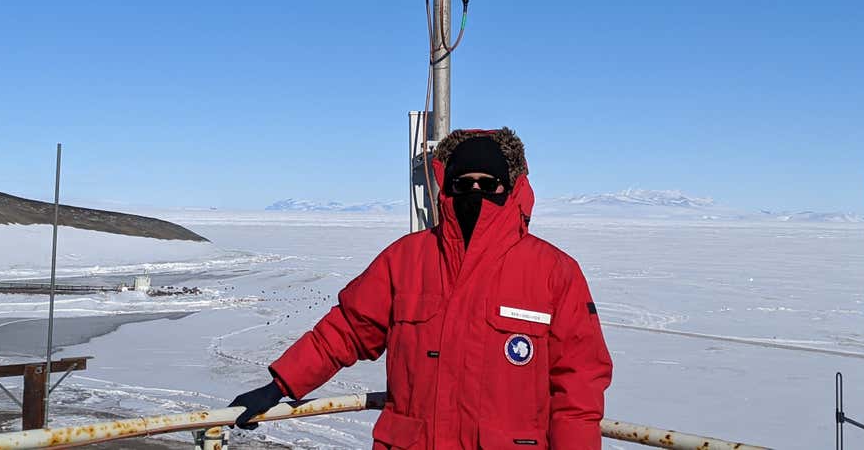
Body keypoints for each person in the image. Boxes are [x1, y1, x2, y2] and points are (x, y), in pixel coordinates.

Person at [228, 127, 613, 449]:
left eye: (488, 183)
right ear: (447, 188)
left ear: (509, 187)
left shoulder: (553, 271)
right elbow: (346, 330)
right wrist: (280, 385)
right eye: (464, 183)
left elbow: (578, 388)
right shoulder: (407, 259)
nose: (475, 192)